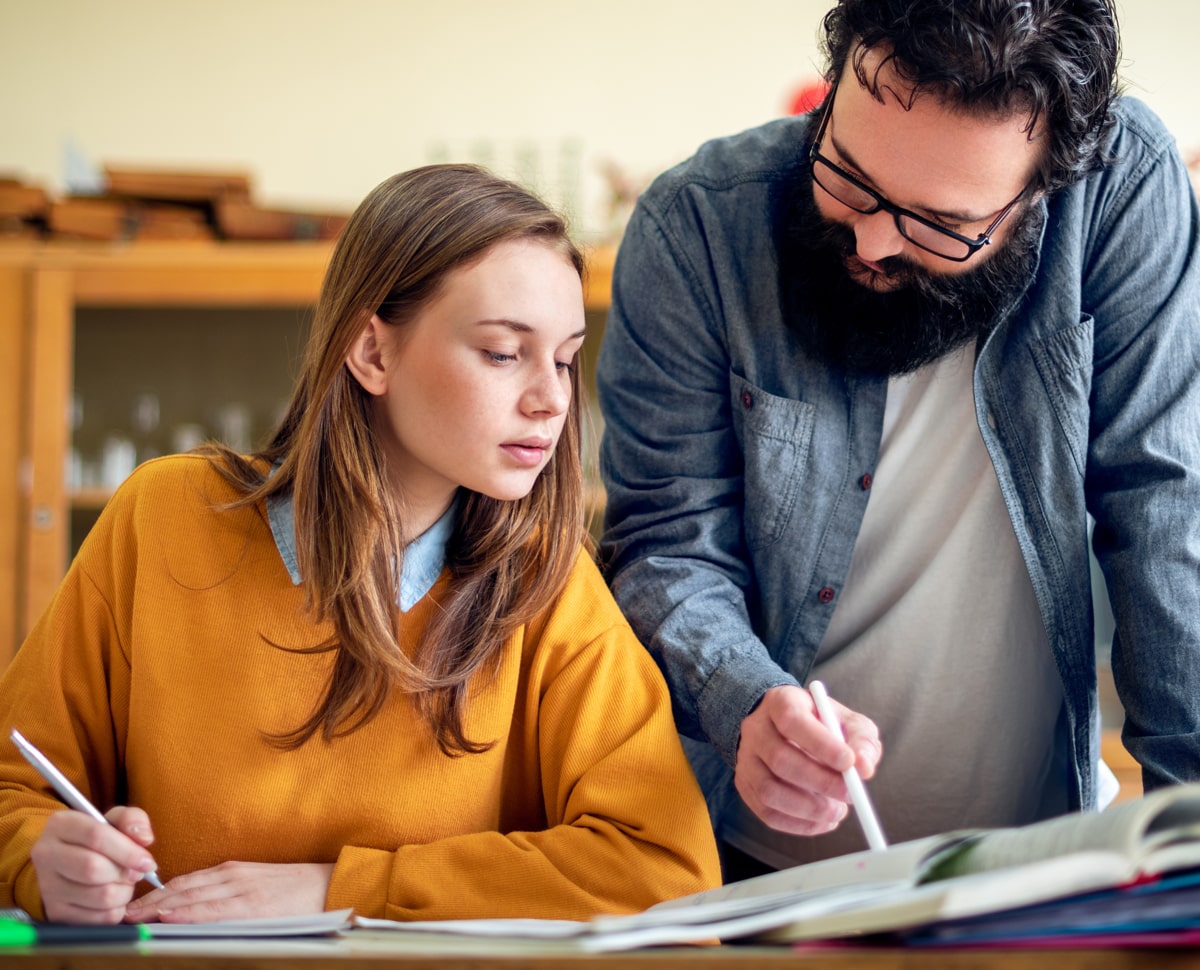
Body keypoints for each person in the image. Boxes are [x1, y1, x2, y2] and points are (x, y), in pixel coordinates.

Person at [0, 164, 721, 925]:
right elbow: (15, 791)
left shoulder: (546, 577)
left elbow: (667, 868)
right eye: (505, 353)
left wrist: (336, 890)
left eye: (568, 358)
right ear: (372, 353)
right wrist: (44, 859)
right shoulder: (163, 516)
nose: (551, 399)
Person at [597, 0, 1200, 879]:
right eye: (847, 174)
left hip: (1041, 854)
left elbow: (1167, 514)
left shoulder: (1124, 186)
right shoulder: (695, 228)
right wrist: (745, 700)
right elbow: (665, 542)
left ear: (1044, 187)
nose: (872, 239)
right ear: (835, 80)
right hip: (749, 859)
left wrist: (1186, 848)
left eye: (941, 224)